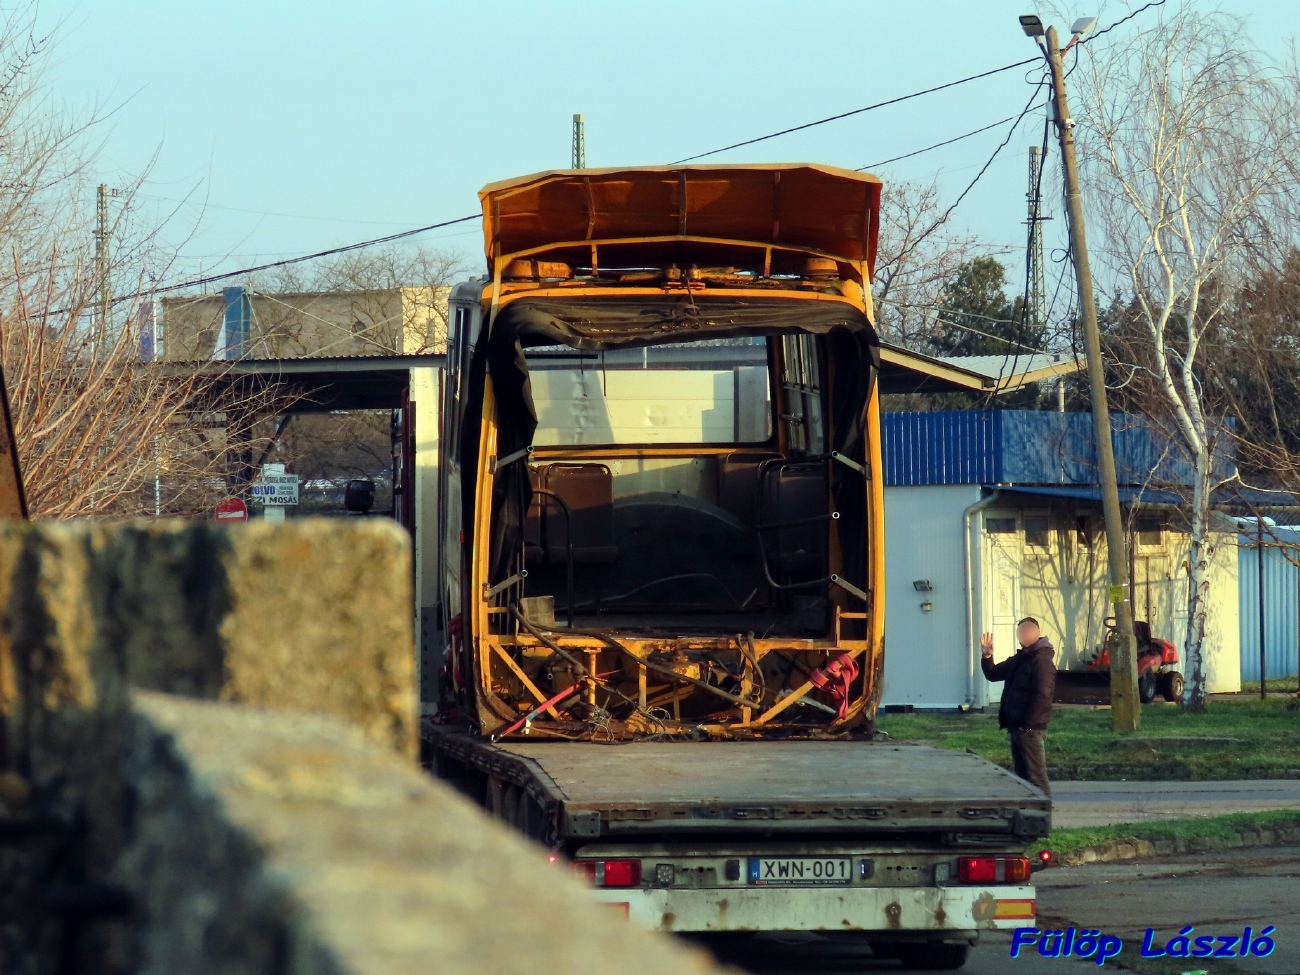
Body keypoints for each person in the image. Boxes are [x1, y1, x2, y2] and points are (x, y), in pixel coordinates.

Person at [980, 617, 1055, 796]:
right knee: (1022, 777)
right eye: (1021, 631)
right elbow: (993, 674)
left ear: (1037, 633)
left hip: (1030, 729)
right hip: (1017, 727)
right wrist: (987, 656)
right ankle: (1027, 813)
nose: (1024, 634)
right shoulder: (1020, 658)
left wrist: (1027, 724)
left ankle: (1043, 814)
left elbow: (1043, 696)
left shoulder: (1041, 660)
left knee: (1035, 776)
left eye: (1028, 631)